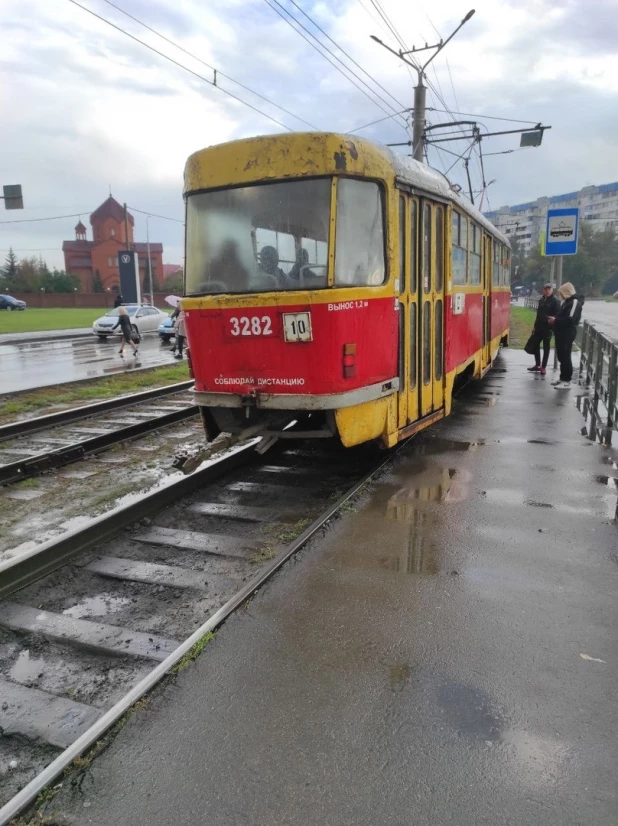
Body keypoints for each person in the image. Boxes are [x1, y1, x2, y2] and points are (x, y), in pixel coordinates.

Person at [547, 282, 585, 389]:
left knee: (566, 356)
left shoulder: (574, 302)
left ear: (567, 292)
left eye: (562, 293)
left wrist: (556, 320)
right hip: (561, 332)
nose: (561, 295)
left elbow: (570, 319)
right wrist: (555, 320)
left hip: (567, 332)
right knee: (561, 355)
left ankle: (567, 380)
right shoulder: (567, 302)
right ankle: (562, 377)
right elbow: (562, 316)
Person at [527, 282, 560, 376]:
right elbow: (538, 314)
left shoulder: (555, 301)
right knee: (535, 345)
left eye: (549, 289)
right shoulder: (541, 300)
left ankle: (543, 367)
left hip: (548, 328)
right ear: (543, 290)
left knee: (546, 348)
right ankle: (537, 364)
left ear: (552, 290)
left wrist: (548, 319)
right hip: (539, 327)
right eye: (545, 289)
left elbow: (556, 315)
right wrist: (534, 326)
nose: (547, 290)